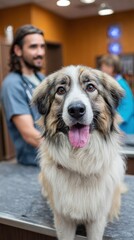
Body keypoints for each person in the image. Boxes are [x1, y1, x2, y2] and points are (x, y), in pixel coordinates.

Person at [1, 24, 46, 165]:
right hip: (35, 162)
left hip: (56, 160)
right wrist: (66, 153)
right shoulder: (12, 84)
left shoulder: (42, 78)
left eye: (42, 46)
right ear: (18, 50)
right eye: (33, 47)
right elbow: (29, 135)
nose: (40, 52)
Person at [99, 54, 134, 134]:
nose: (102, 68)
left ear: (114, 68)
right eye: (102, 65)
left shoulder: (120, 84)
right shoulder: (113, 82)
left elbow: (128, 107)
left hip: (126, 128)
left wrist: (115, 123)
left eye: (106, 66)